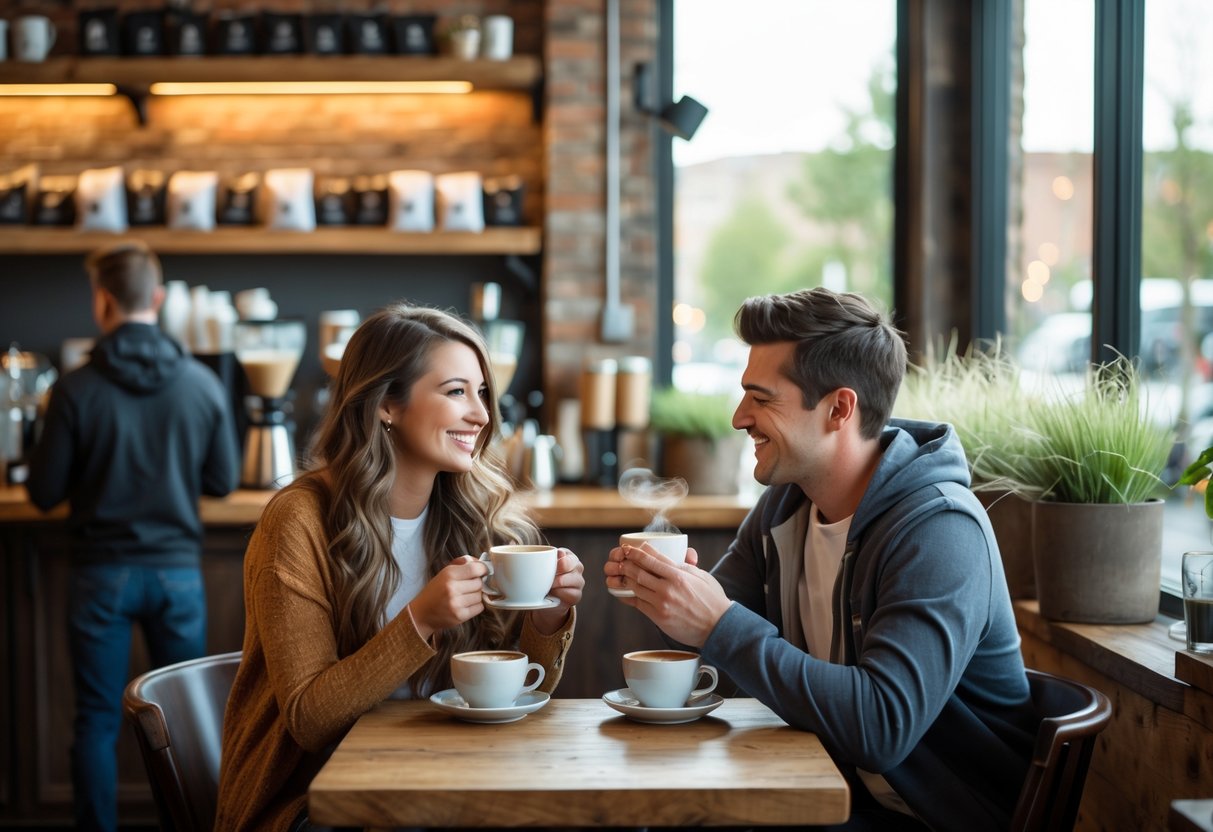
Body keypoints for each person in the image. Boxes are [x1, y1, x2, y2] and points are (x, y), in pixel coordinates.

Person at [605, 287, 1037, 832]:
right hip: (831, 789)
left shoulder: (941, 530)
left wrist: (717, 623)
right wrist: (667, 594)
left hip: (930, 816)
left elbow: (881, 728)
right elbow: (710, 643)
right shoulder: (785, 507)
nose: (740, 418)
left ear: (839, 408)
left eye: (761, 399)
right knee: (650, 814)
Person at [216, 303, 584, 832]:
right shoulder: (299, 520)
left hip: (442, 774)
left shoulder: (476, 519)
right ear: (387, 402)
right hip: (310, 802)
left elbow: (518, 693)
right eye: (456, 391)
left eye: (482, 392)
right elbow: (309, 721)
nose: (481, 414)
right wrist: (421, 621)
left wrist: (546, 622)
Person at [25, 241, 240, 832]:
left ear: (103, 301)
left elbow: (43, 493)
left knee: (96, 718)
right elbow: (222, 481)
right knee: (188, 717)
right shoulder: (201, 384)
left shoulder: (74, 389)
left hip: (101, 574)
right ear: (160, 298)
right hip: (177, 573)